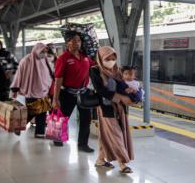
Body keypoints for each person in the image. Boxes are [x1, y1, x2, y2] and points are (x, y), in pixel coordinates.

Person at [90, 46, 134, 174]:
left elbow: (122, 86)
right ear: (100, 58)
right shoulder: (95, 70)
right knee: (116, 134)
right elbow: (100, 90)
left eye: (113, 58)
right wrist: (119, 97)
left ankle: (100, 159)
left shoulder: (117, 70)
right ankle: (122, 163)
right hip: (105, 108)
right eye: (107, 58)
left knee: (106, 134)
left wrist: (130, 91)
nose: (111, 60)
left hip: (120, 108)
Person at [51, 31, 95, 152]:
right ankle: (57, 137)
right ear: (67, 43)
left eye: (79, 41)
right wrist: (55, 99)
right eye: (74, 41)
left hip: (83, 93)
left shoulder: (85, 57)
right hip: (68, 94)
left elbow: (96, 66)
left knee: (86, 119)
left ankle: (83, 144)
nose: (77, 43)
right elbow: (58, 79)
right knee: (63, 117)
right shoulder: (63, 58)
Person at [10, 43, 52, 138]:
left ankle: (40, 133)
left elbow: (48, 72)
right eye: (42, 51)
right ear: (36, 50)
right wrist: (15, 88)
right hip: (31, 91)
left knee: (43, 111)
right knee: (32, 111)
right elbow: (19, 74)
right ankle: (19, 126)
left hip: (43, 90)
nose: (44, 53)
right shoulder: (26, 60)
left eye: (46, 51)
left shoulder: (44, 59)